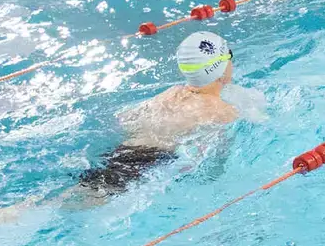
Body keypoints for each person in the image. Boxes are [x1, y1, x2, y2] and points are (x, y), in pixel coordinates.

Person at [74, 31, 242, 199]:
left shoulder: (171, 93)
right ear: (219, 67)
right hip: (149, 163)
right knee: (91, 199)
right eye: (230, 55)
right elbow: (217, 161)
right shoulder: (222, 110)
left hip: (117, 152)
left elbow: (125, 118)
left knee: (79, 194)